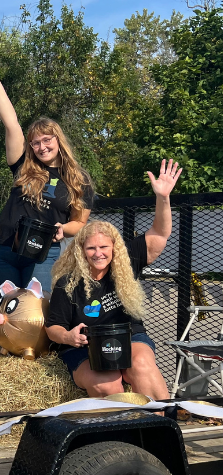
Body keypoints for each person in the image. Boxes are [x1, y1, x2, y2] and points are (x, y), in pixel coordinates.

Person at [45, 160, 182, 400]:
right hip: (83, 347)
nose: (98, 253)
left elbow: (160, 233)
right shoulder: (67, 283)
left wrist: (163, 197)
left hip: (129, 336)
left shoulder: (127, 261)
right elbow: (52, 327)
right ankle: (120, 423)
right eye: (91, 248)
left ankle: (162, 417)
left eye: (104, 247)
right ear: (81, 251)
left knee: (141, 365)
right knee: (105, 381)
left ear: (114, 248)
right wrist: (68, 337)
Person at [0, 53, 94, 297]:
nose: (42, 147)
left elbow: (80, 222)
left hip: (43, 253)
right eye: (35, 142)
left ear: (58, 140)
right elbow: (11, 123)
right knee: (9, 311)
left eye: (47, 140)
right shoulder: (23, 166)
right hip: (3, 250)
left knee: (36, 310)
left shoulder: (79, 180)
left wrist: (64, 228)